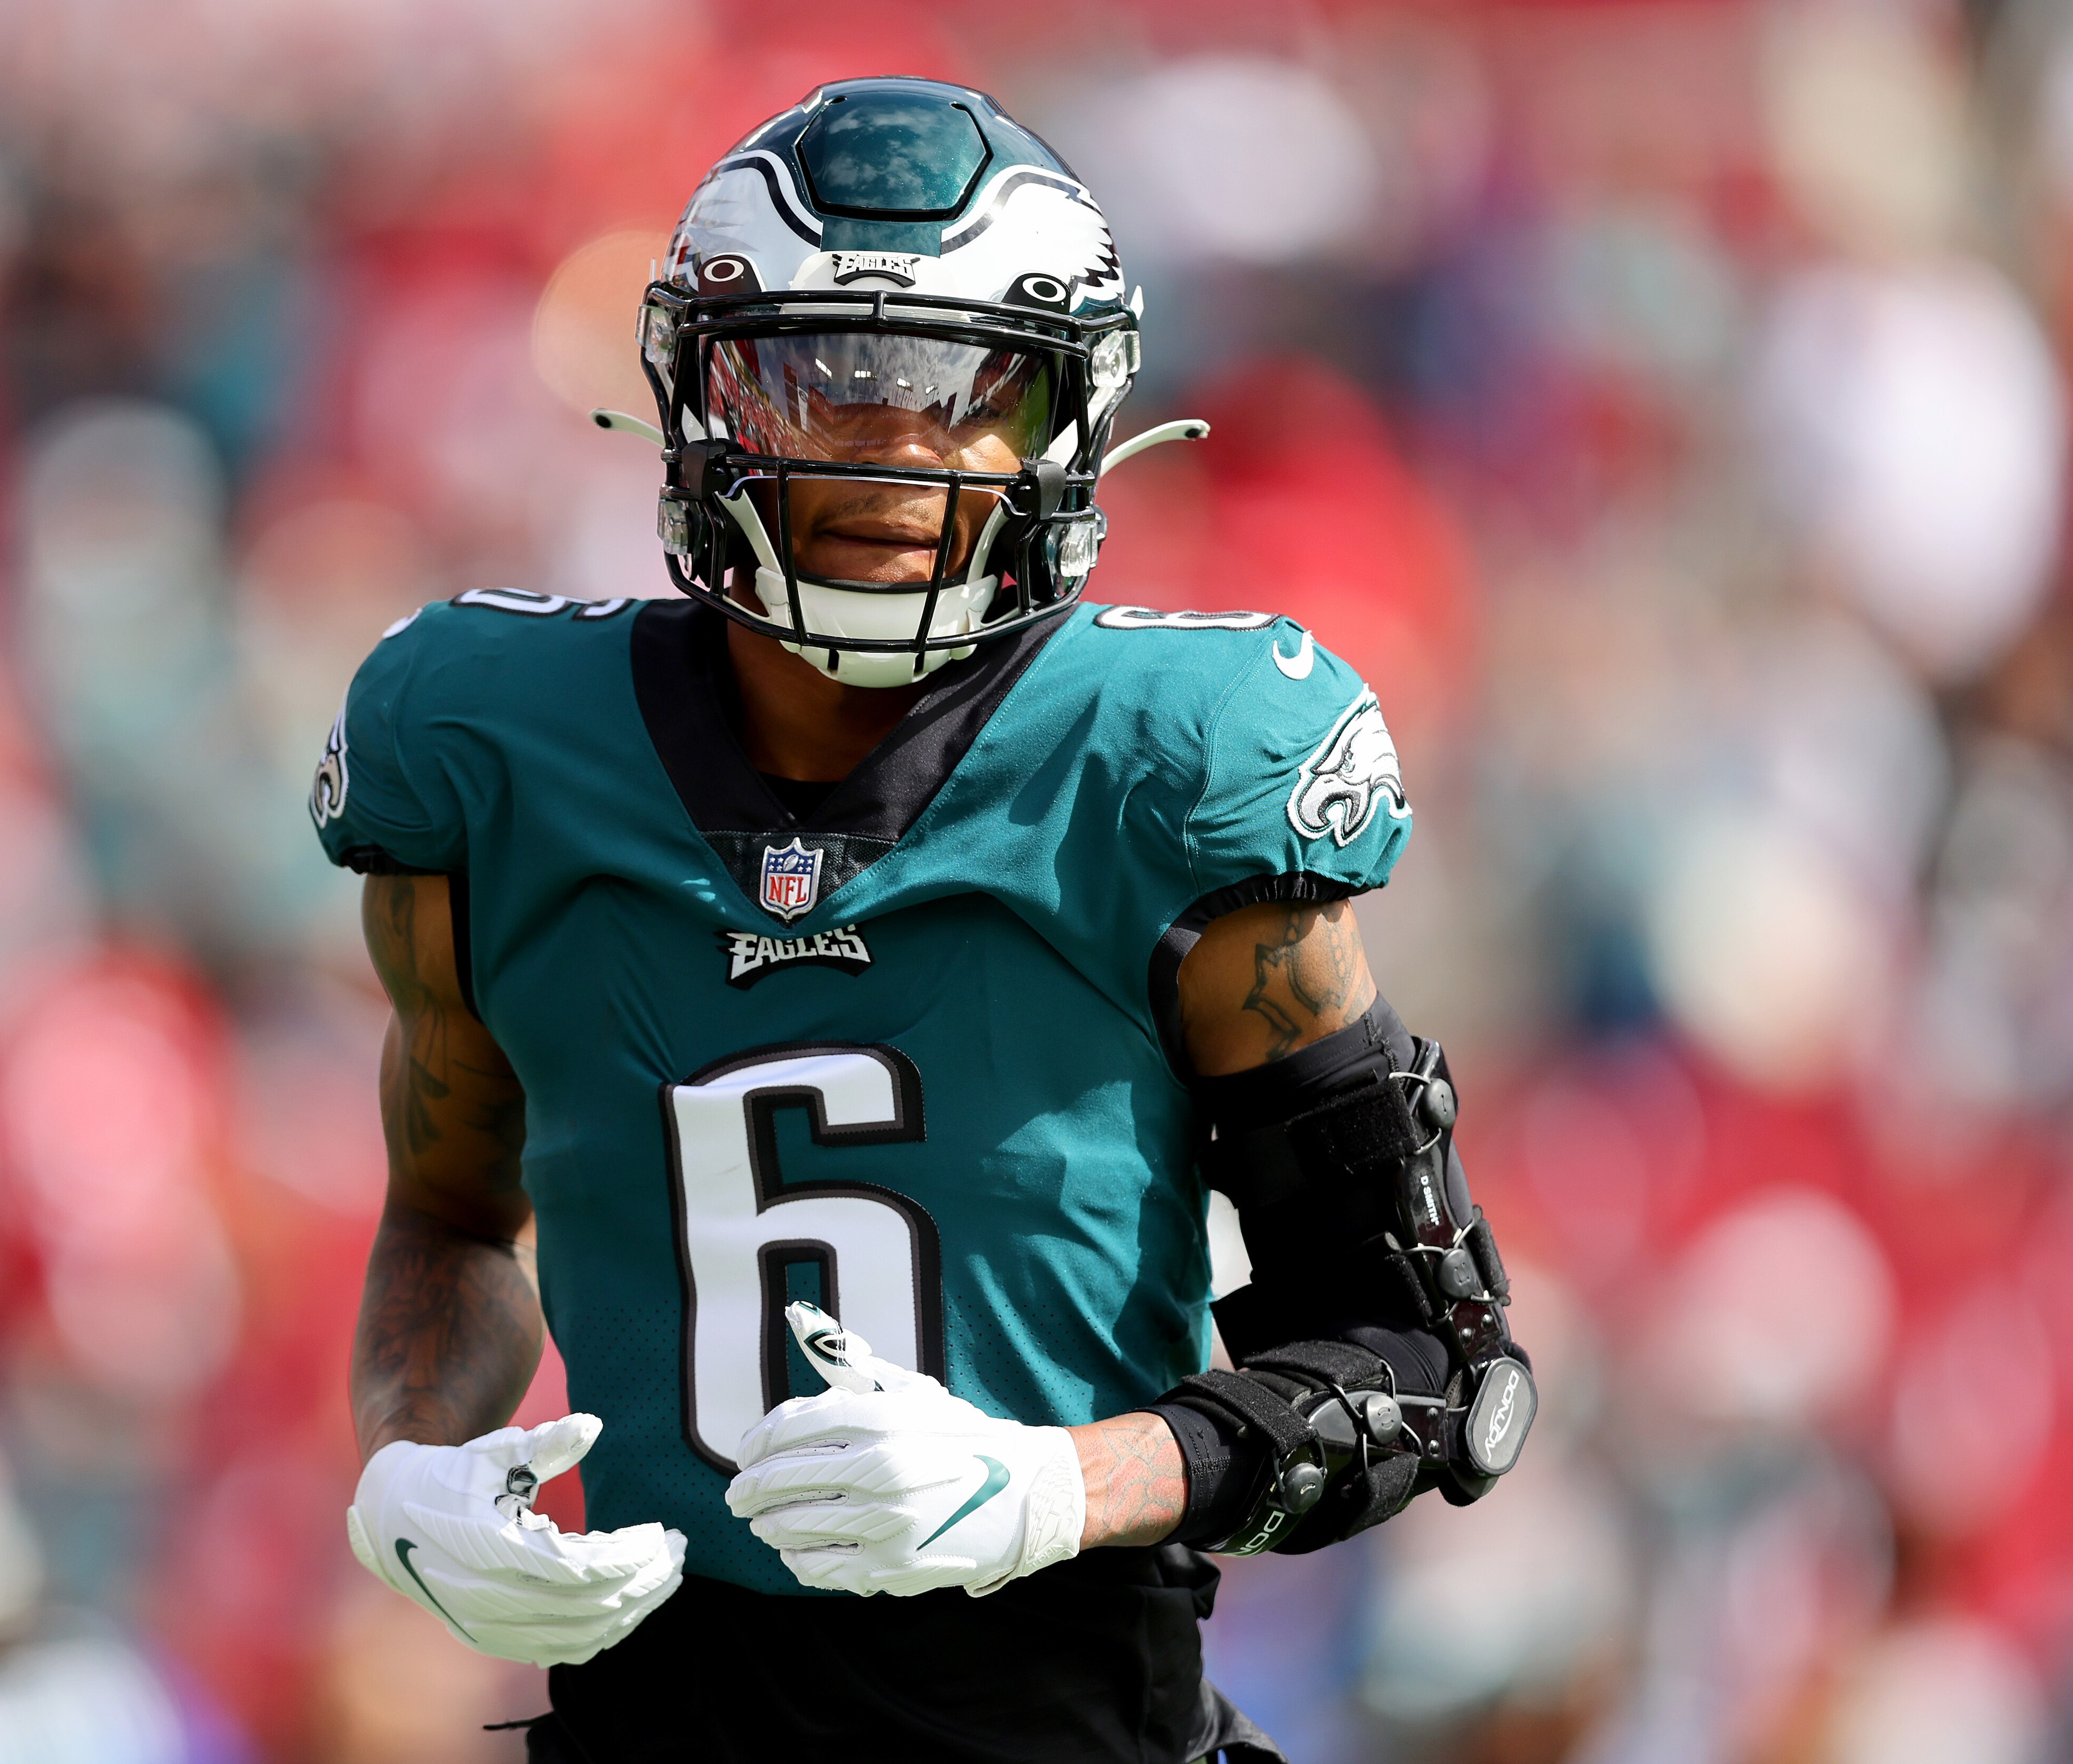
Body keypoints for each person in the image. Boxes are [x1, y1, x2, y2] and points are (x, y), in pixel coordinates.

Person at [317, 77, 1531, 1764]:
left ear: (1073, 414)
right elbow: (452, 1222)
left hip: (1079, 1723)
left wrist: (1057, 1485)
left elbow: (1425, 1365)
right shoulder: (492, 752)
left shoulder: (1172, 770)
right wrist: (405, 1466)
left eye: (971, 388)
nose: (895, 448)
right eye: (825, 375)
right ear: (699, 395)